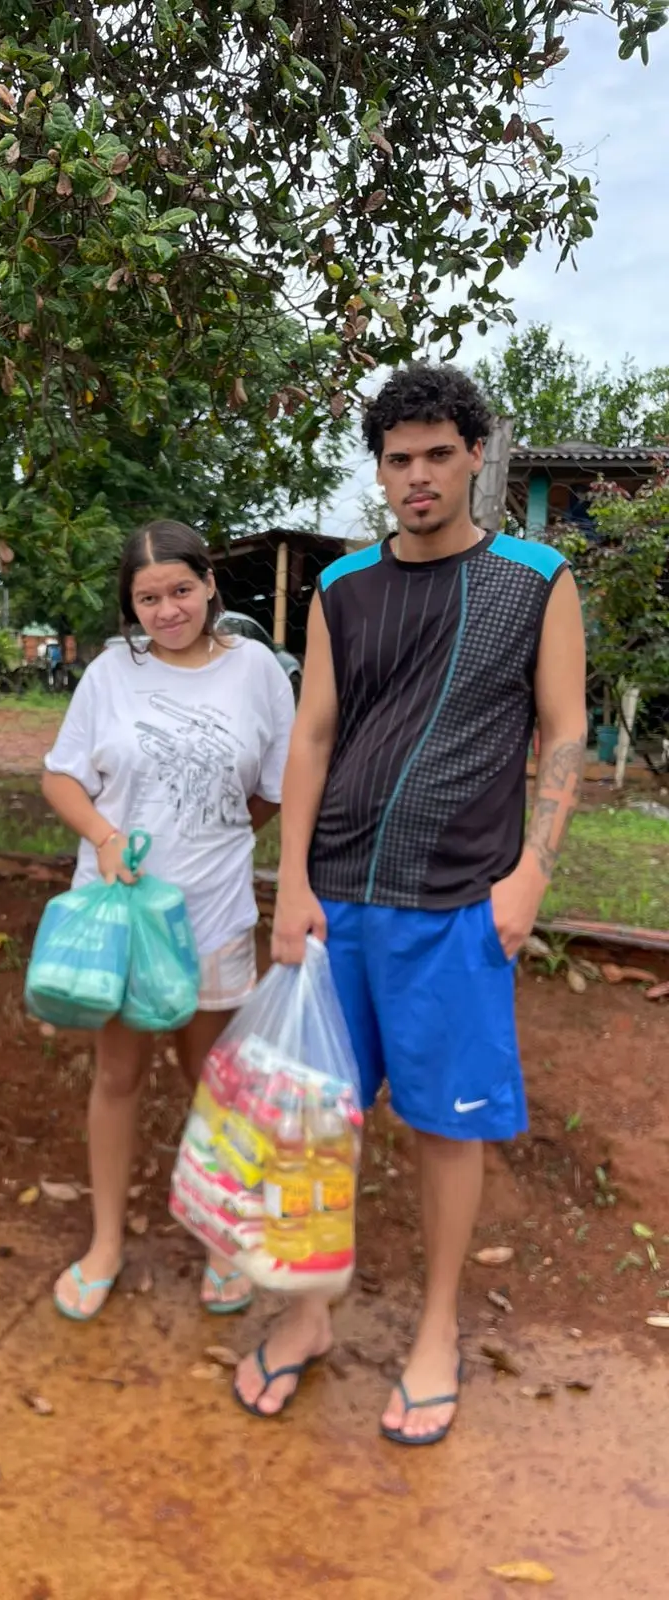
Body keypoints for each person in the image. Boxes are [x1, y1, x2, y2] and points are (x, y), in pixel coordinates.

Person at [233, 365, 586, 1444]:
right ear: (378, 469)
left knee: (444, 1129)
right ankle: (305, 1316)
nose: (419, 476)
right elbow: (313, 736)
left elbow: (563, 730)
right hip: (338, 900)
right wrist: (289, 883)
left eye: (439, 453)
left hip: (456, 906)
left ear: (477, 454)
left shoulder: (536, 576)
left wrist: (531, 871)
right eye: (399, 459)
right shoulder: (343, 584)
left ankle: (436, 1330)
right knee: (312, 1121)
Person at [41, 520, 296, 1319]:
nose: (167, 610)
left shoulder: (257, 671)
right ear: (131, 605)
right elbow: (61, 780)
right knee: (117, 1077)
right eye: (148, 598)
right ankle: (106, 1242)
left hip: (214, 915)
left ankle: (223, 1240)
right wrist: (107, 838)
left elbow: (273, 789)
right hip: (120, 920)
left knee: (212, 1084)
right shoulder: (112, 675)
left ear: (209, 583)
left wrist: (216, 838)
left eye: (181, 590)